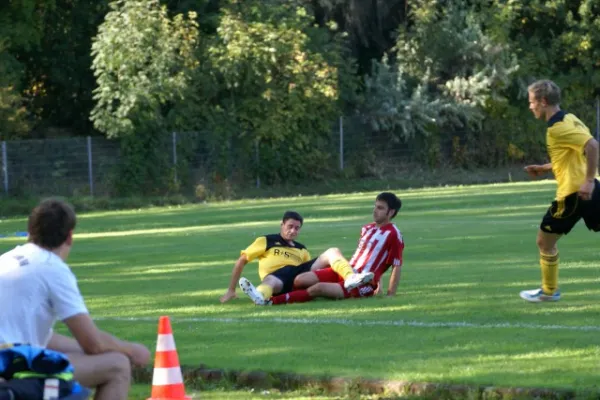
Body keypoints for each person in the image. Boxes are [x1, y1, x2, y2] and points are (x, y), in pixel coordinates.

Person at [0, 198, 151, 400]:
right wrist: (131, 350)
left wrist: (89, 348)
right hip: (8, 368)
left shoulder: (8, 259)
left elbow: (45, 339)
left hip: (10, 360)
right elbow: (93, 344)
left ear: (30, 232)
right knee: (118, 365)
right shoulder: (52, 268)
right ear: (70, 236)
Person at [242, 192, 404, 305]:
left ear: (391, 212)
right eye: (375, 206)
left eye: (380, 208)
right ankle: (273, 292)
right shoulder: (367, 228)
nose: (375, 211)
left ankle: (270, 302)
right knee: (300, 279)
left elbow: (394, 265)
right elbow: (370, 256)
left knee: (316, 289)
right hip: (347, 272)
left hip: (361, 284)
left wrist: (389, 294)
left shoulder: (394, 234)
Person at [520, 80, 600, 302]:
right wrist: (545, 168)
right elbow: (574, 155)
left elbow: (592, 146)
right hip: (590, 191)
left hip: (573, 195)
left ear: (543, 102)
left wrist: (588, 181)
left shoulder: (558, 128)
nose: (530, 107)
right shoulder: (569, 118)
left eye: (532, 102)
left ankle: (549, 291)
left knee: (544, 242)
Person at [221, 211, 372, 305]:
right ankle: (260, 295)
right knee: (270, 281)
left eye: (297, 228)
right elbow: (241, 261)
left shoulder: (301, 249)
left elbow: (312, 274)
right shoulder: (267, 240)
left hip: (299, 274)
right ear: (282, 224)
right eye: (290, 226)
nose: (293, 231)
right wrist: (230, 290)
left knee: (332, 251)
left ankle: (350, 277)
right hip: (278, 276)